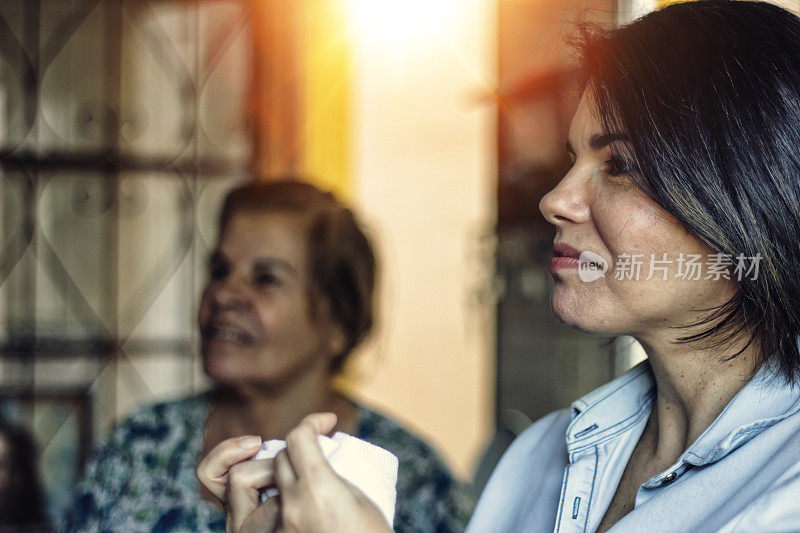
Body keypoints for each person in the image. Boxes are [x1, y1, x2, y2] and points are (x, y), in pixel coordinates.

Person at [197, 1, 800, 531]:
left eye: (619, 165)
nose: (555, 200)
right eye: (573, 159)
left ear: (749, 197)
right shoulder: (539, 458)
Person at [62, 180, 472, 532]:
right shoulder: (140, 444)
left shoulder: (414, 480)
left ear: (339, 325)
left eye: (266, 279)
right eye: (220, 270)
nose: (224, 294)